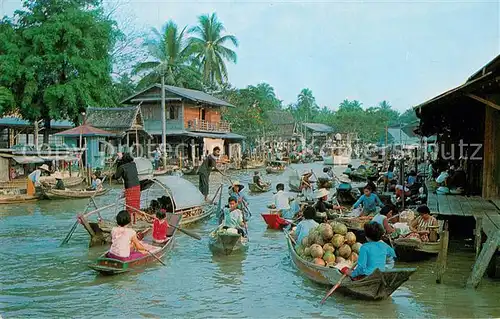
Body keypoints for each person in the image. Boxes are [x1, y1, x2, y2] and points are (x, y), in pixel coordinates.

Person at [114, 153, 140, 224]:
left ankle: (131, 223)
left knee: (130, 206)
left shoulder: (122, 167)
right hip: (137, 186)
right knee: (135, 204)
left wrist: (118, 161)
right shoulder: (133, 164)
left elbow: (116, 176)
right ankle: (135, 221)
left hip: (130, 187)